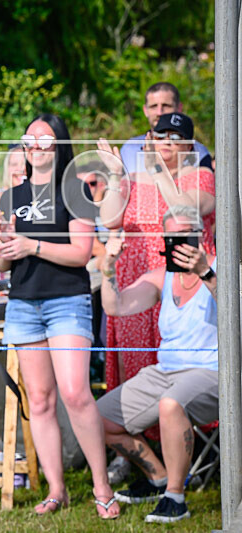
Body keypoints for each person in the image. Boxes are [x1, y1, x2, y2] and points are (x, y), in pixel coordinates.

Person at [0, 114, 119, 518]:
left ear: (59, 147)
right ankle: (56, 489)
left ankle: (102, 486)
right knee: (41, 401)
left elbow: (82, 254)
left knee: (76, 393)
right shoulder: (11, 196)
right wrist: (4, 243)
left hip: (67, 301)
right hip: (24, 304)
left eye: (45, 140)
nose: (36, 146)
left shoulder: (75, 190)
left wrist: (31, 245)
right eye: (30, 138)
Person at [98, 205, 218, 524]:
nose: (179, 240)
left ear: (201, 235)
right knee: (98, 418)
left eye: (186, 234)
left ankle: (176, 498)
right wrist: (108, 265)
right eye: (172, 235)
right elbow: (116, 306)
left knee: (170, 404)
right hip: (165, 372)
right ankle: (159, 479)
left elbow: (235, 305)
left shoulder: (223, 269)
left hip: (214, 372)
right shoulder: (161, 277)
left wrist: (206, 272)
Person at [98, 112, 215, 418]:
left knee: (182, 366)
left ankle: (184, 440)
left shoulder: (201, 177)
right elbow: (110, 219)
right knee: (136, 362)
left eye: (176, 138)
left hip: (183, 276)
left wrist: (157, 169)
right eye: (160, 134)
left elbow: (185, 208)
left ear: (190, 147)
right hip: (139, 277)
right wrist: (114, 175)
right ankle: (134, 448)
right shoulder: (133, 179)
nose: (167, 141)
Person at [119, 82, 212, 175]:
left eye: (166, 106)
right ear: (145, 110)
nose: (159, 112)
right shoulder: (128, 149)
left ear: (179, 108)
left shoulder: (200, 153)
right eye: (153, 106)